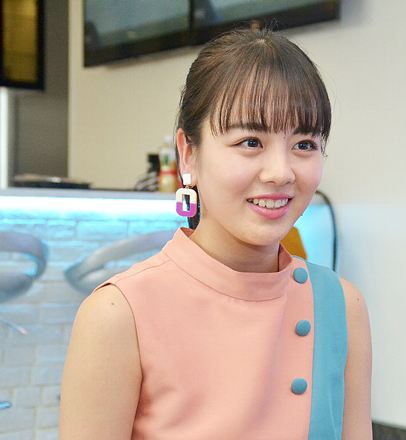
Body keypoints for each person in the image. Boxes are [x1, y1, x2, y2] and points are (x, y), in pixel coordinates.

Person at [59, 27, 372, 440]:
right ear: (188, 154)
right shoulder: (118, 314)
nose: (280, 173)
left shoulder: (341, 306)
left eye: (304, 144)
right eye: (250, 141)